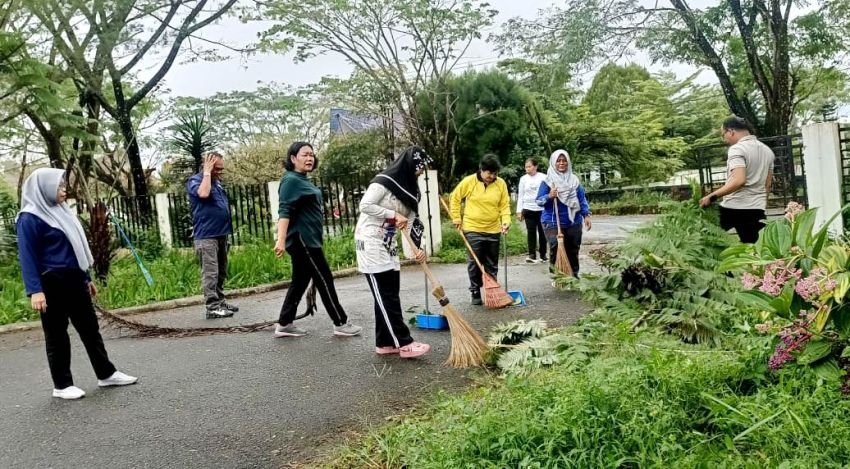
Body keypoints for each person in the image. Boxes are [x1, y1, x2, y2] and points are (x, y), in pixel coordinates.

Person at [16, 168, 137, 400]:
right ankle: (62, 385)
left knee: (90, 328)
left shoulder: (61, 212)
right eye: (59, 187)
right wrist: (35, 291)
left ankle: (106, 373)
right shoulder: (29, 217)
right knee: (57, 334)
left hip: (74, 278)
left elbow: (75, 249)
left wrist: (86, 278)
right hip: (50, 281)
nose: (64, 190)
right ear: (43, 189)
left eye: (63, 186)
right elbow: (27, 256)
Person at [273, 142, 363, 338]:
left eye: (312, 154)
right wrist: (280, 240)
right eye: (305, 154)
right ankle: (340, 322)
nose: (310, 158)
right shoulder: (290, 180)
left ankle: (285, 323)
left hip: (310, 239)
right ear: (293, 158)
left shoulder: (302, 180)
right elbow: (284, 211)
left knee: (300, 281)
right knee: (324, 279)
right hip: (302, 240)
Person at [355, 146, 432, 358]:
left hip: (388, 244)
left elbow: (411, 223)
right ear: (409, 164)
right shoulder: (384, 182)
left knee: (389, 294)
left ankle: (385, 343)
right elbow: (365, 205)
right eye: (420, 167)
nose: (421, 172)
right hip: (370, 241)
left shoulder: (410, 189)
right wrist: (391, 214)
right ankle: (404, 342)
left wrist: (419, 248)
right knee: (385, 294)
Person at [699, 116, 775, 244]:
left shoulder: (737, 149)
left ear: (731, 131)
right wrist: (760, 205)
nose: (725, 139)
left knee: (703, 241)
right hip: (756, 209)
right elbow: (767, 185)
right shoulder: (767, 151)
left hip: (733, 207)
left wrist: (711, 197)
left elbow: (739, 180)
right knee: (760, 251)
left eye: (724, 135)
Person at [449, 154, 511, 305]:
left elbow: (504, 204)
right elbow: (455, 198)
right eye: (489, 173)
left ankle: (492, 290)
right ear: (481, 170)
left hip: (493, 229)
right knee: (475, 262)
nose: (492, 176)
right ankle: (475, 290)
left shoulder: (500, 183)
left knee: (491, 262)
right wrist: (457, 218)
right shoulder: (469, 182)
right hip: (472, 228)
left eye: (495, 173)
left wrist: (506, 221)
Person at [186, 151, 238, 319]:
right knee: (211, 272)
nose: (220, 172)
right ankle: (212, 306)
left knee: (221, 271)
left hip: (221, 234)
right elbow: (203, 194)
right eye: (217, 168)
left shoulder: (217, 183)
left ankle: (220, 301)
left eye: (221, 169)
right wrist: (207, 172)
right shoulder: (196, 181)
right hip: (206, 236)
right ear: (207, 166)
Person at [536, 150, 591, 277]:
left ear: (568, 162)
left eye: (564, 160)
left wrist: (586, 215)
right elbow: (538, 201)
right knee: (555, 247)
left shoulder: (574, 181)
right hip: (553, 221)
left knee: (573, 248)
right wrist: (549, 195)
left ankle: (574, 274)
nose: (562, 163)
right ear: (553, 163)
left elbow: (581, 199)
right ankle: (556, 274)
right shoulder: (548, 182)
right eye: (558, 161)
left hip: (573, 220)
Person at [516, 158, 548, 264]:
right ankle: (532, 255)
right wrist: (519, 211)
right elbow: (520, 195)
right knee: (531, 232)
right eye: (526, 167)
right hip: (528, 208)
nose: (527, 169)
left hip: (542, 209)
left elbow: (548, 192)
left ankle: (543, 254)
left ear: (535, 167)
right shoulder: (523, 179)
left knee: (542, 232)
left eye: (529, 166)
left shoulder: (543, 177)